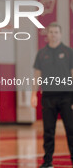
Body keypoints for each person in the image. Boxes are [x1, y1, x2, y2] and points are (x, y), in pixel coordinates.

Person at [31, 22, 73, 168]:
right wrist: (33, 95)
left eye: (56, 32)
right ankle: (47, 162)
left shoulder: (68, 52)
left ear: (60, 34)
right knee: (48, 131)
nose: (53, 35)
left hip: (67, 96)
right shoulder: (41, 54)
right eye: (51, 32)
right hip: (48, 96)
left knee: (71, 129)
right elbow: (36, 75)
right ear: (47, 35)